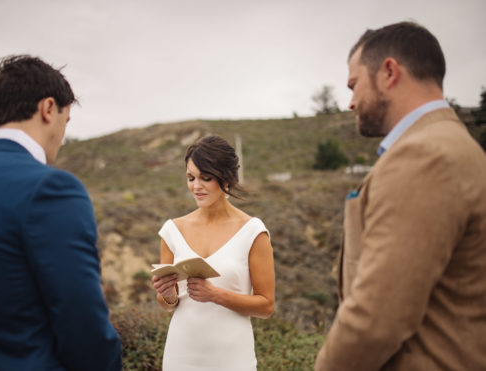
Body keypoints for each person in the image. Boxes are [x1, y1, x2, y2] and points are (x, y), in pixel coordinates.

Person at [0, 55, 122, 370]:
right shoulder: (52, 188)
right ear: (48, 109)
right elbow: (83, 321)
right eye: (66, 120)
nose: (62, 135)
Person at [315, 22, 486, 370]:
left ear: (389, 72)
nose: (350, 102)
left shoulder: (424, 156)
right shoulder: (456, 145)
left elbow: (376, 319)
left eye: (354, 84)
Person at [151, 135, 275, 370]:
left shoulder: (253, 232)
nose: (196, 186)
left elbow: (266, 306)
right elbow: (168, 305)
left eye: (205, 178)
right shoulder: (172, 231)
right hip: (181, 355)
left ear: (226, 178)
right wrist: (168, 294)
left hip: (232, 357)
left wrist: (215, 295)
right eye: (190, 178)